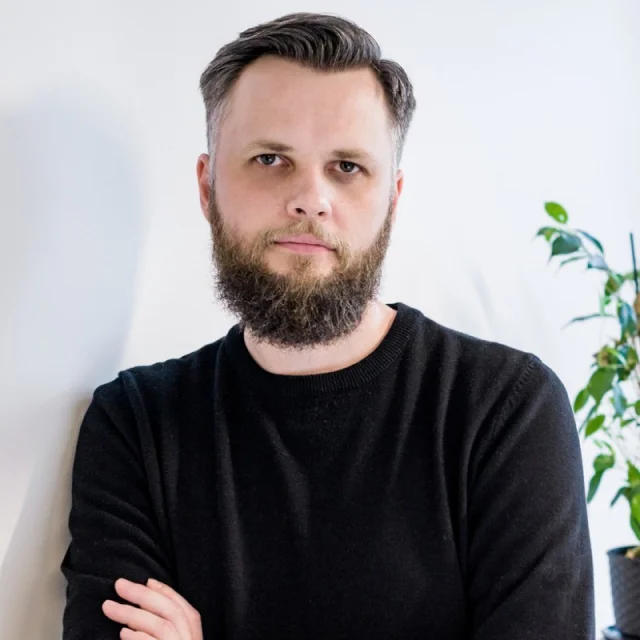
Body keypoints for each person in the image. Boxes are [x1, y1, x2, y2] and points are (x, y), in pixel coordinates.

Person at [60, 11, 595, 639]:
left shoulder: (505, 412)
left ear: (392, 200)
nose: (310, 199)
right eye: (269, 158)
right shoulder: (135, 427)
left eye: (346, 166)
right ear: (207, 188)